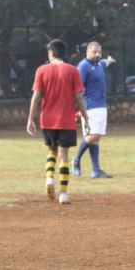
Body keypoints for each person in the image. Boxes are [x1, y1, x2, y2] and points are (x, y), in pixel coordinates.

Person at [26, 39, 90, 205]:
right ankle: (63, 194)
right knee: (64, 156)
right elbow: (79, 97)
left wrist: (30, 119)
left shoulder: (41, 70)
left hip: (47, 120)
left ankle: (49, 180)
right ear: (64, 53)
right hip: (66, 120)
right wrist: (85, 117)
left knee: (51, 152)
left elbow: (36, 96)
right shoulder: (72, 71)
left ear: (51, 53)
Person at [73, 42, 116, 178]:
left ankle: (96, 170)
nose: (97, 54)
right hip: (89, 107)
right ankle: (76, 160)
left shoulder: (98, 64)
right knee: (92, 136)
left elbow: (104, 62)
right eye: (94, 52)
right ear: (87, 52)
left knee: (96, 138)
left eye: (99, 51)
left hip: (101, 106)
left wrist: (109, 60)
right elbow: (76, 89)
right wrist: (79, 108)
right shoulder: (83, 66)